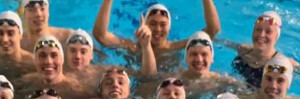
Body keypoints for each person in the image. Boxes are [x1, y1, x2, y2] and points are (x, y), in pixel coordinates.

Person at [141, 31, 242, 99]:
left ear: (212, 59)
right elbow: (146, 87)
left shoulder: (224, 82)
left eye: (204, 54)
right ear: (186, 58)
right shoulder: (172, 81)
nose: (199, 59)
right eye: (193, 54)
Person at [93, 1, 221, 54]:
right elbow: (100, 35)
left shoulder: (175, 47)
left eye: (163, 25)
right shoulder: (132, 47)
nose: (158, 29)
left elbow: (212, 30)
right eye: (152, 24)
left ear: (169, 29)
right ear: (143, 25)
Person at [16, 35, 96, 99]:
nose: (48, 61)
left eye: (54, 55)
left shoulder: (77, 90)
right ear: (35, 61)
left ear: (62, 60)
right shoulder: (26, 82)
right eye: (42, 56)